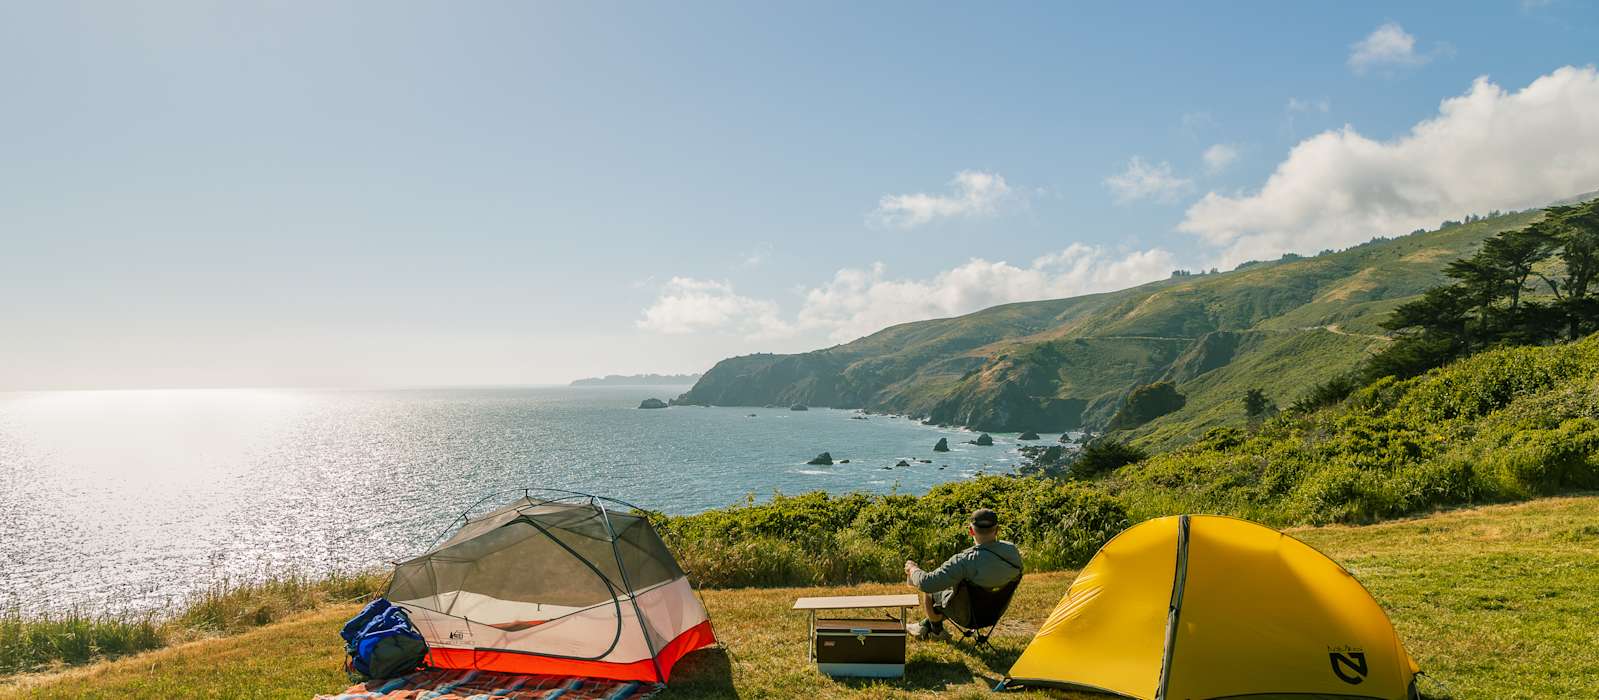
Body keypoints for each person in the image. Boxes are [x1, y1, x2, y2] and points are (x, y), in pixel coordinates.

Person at [904, 508, 1023, 640]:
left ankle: (937, 632)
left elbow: (926, 583)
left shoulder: (964, 561)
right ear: (997, 530)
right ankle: (924, 626)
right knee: (954, 591)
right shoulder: (1012, 551)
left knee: (933, 592)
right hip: (995, 613)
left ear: (971, 531)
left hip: (968, 617)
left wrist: (912, 569)